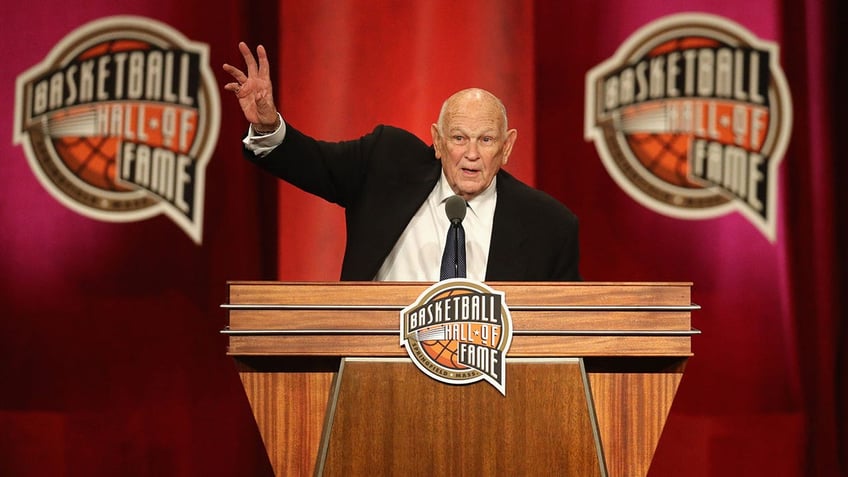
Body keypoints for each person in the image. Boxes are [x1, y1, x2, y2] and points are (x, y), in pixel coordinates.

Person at [223, 42, 581, 282]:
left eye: (486, 140)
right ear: (438, 141)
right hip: (378, 376)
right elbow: (313, 162)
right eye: (458, 138)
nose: (471, 153)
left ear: (507, 147)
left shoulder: (549, 226)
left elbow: (565, 336)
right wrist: (268, 124)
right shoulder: (386, 164)